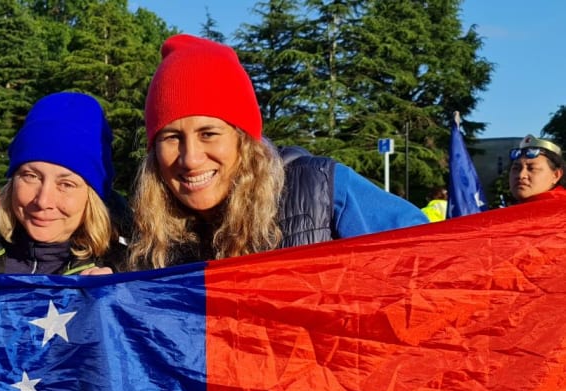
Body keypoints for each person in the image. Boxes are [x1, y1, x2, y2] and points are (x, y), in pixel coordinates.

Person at [125, 35, 428, 270]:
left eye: (209, 134)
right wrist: (108, 292)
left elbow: (436, 258)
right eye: (171, 137)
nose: (190, 158)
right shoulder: (153, 242)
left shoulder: (323, 190)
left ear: (244, 139)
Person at [0, 91, 123, 275]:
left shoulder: (124, 271)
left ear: (92, 196)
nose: (43, 201)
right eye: (31, 176)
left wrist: (113, 300)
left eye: (66, 184)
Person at [508, 134, 566, 203]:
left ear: (556, 175)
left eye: (532, 168)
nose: (521, 175)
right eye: (516, 168)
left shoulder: (560, 210)